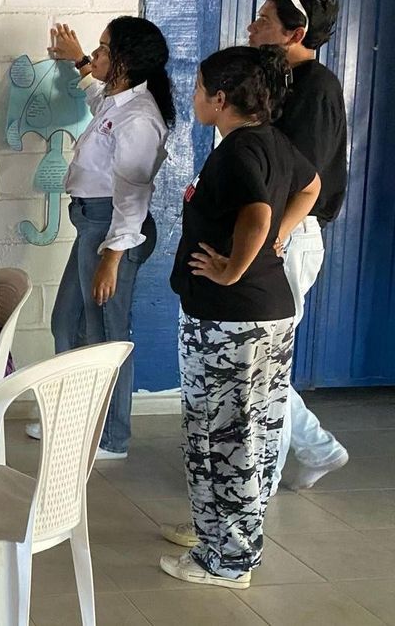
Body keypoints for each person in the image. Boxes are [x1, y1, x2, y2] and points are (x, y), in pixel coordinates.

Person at [161, 45, 321, 589]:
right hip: (267, 316)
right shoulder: (272, 141)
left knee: (223, 438)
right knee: (249, 435)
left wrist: (232, 269)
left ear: (221, 99)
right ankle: (223, 543)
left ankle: (227, 561)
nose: (195, 97)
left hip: (231, 320)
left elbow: (255, 211)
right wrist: (280, 234)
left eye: (200, 88)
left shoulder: (236, 152)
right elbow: (310, 187)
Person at [26, 18, 174, 459]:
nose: (96, 54)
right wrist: (78, 62)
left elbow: (133, 194)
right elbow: (98, 102)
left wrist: (112, 255)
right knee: (66, 321)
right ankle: (74, 419)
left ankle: (112, 437)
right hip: (90, 223)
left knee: (106, 333)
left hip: (112, 230)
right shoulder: (118, 101)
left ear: (125, 61)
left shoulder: (141, 118)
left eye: (103, 49)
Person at [247, 0, 349, 490]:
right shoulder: (280, 81)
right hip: (270, 231)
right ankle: (317, 450)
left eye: (264, 21)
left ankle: (258, 486)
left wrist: (270, 238)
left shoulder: (317, 88)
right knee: (264, 364)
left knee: (264, 366)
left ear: (296, 32)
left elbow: (302, 181)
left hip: (287, 234)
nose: (252, 28)